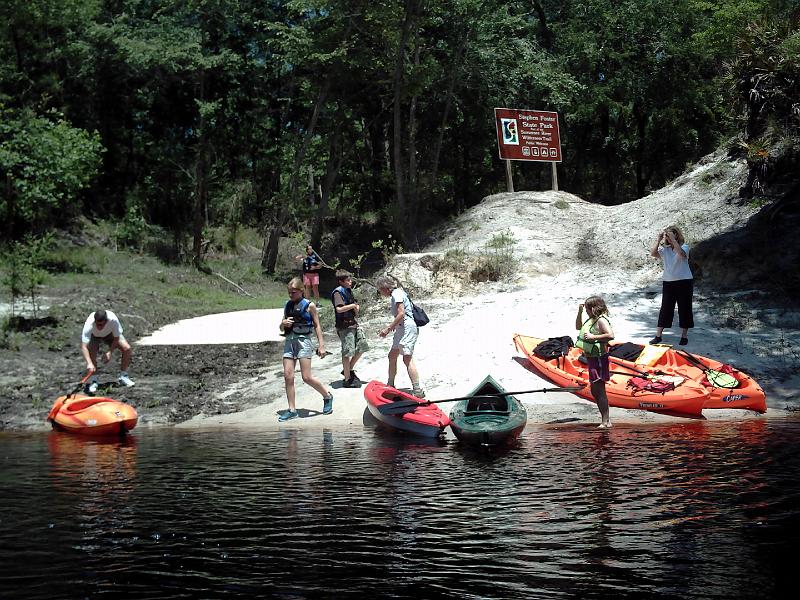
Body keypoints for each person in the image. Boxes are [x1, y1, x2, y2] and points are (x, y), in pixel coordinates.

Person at [279, 277, 333, 421]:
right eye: (289, 292)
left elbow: (317, 325)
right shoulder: (287, 305)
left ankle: (327, 396)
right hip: (289, 342)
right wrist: (283, 323)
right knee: (288, 376)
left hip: (304, 342)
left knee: (306, 377)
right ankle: (292, 409)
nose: (291, 295)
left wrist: (321, 345)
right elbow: (281, 326)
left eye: (294, 292)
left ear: (302, 291)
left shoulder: (310, 306)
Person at [375, 275, 425, 398]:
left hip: (407, 328)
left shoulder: (396, 294)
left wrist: (388, 328)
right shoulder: (397, 293)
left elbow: (401, 313)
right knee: (392, 355)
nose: (380, 292)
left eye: (380, 290)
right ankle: (391, 384)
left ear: (385, 288)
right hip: (401, 329)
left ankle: (417, 389)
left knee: (407, 358)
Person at [649, 225, 693, 345]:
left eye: (670, 236)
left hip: (684, 281)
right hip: (668, 282)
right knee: (666, 308)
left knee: (685, 308)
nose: (668, 238)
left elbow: (682, 254)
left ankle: (684, 336)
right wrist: (658, 240)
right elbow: (653, 253)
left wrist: (673, 240)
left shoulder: (684, 247)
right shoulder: (665, 250)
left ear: (676, 235)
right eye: (667, 237)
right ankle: (658, 335)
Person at [575, 296, 614, 428]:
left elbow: (610, 335)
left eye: (587, 308)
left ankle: (606, 421)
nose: (586, 310)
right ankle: (605, 420)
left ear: (594, 308)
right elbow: (578, 327)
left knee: (599, 389)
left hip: (599, 359)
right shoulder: (591, 319)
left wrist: (593, 337)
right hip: (591, 359)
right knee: (594, 391)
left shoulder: (601, 320)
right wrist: (579, 312)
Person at [80, 309, 135, 392]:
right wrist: (89, 363)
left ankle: (123, 376)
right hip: (94, 336)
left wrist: (110, 352)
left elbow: (116, 337)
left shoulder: (113, 320)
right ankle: (93, 380)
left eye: (101, 325)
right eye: (97, 324)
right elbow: (84, 346)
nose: (99, 327)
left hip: (110, 334)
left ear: (106, 321)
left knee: (127, 348)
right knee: (91, 351)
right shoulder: (89, 325)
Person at [331, 270, 369, 388]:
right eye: (348, 280)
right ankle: (347, 379)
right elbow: (339, 309)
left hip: (353, 323)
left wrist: (355, 308)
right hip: (344, 326)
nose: (350, 282)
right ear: (341, 281)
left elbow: (355, 308)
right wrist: (353, 306)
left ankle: (348, 369)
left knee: (362, 346)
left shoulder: (348, 291)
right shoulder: (338, 293)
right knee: (347, 352)